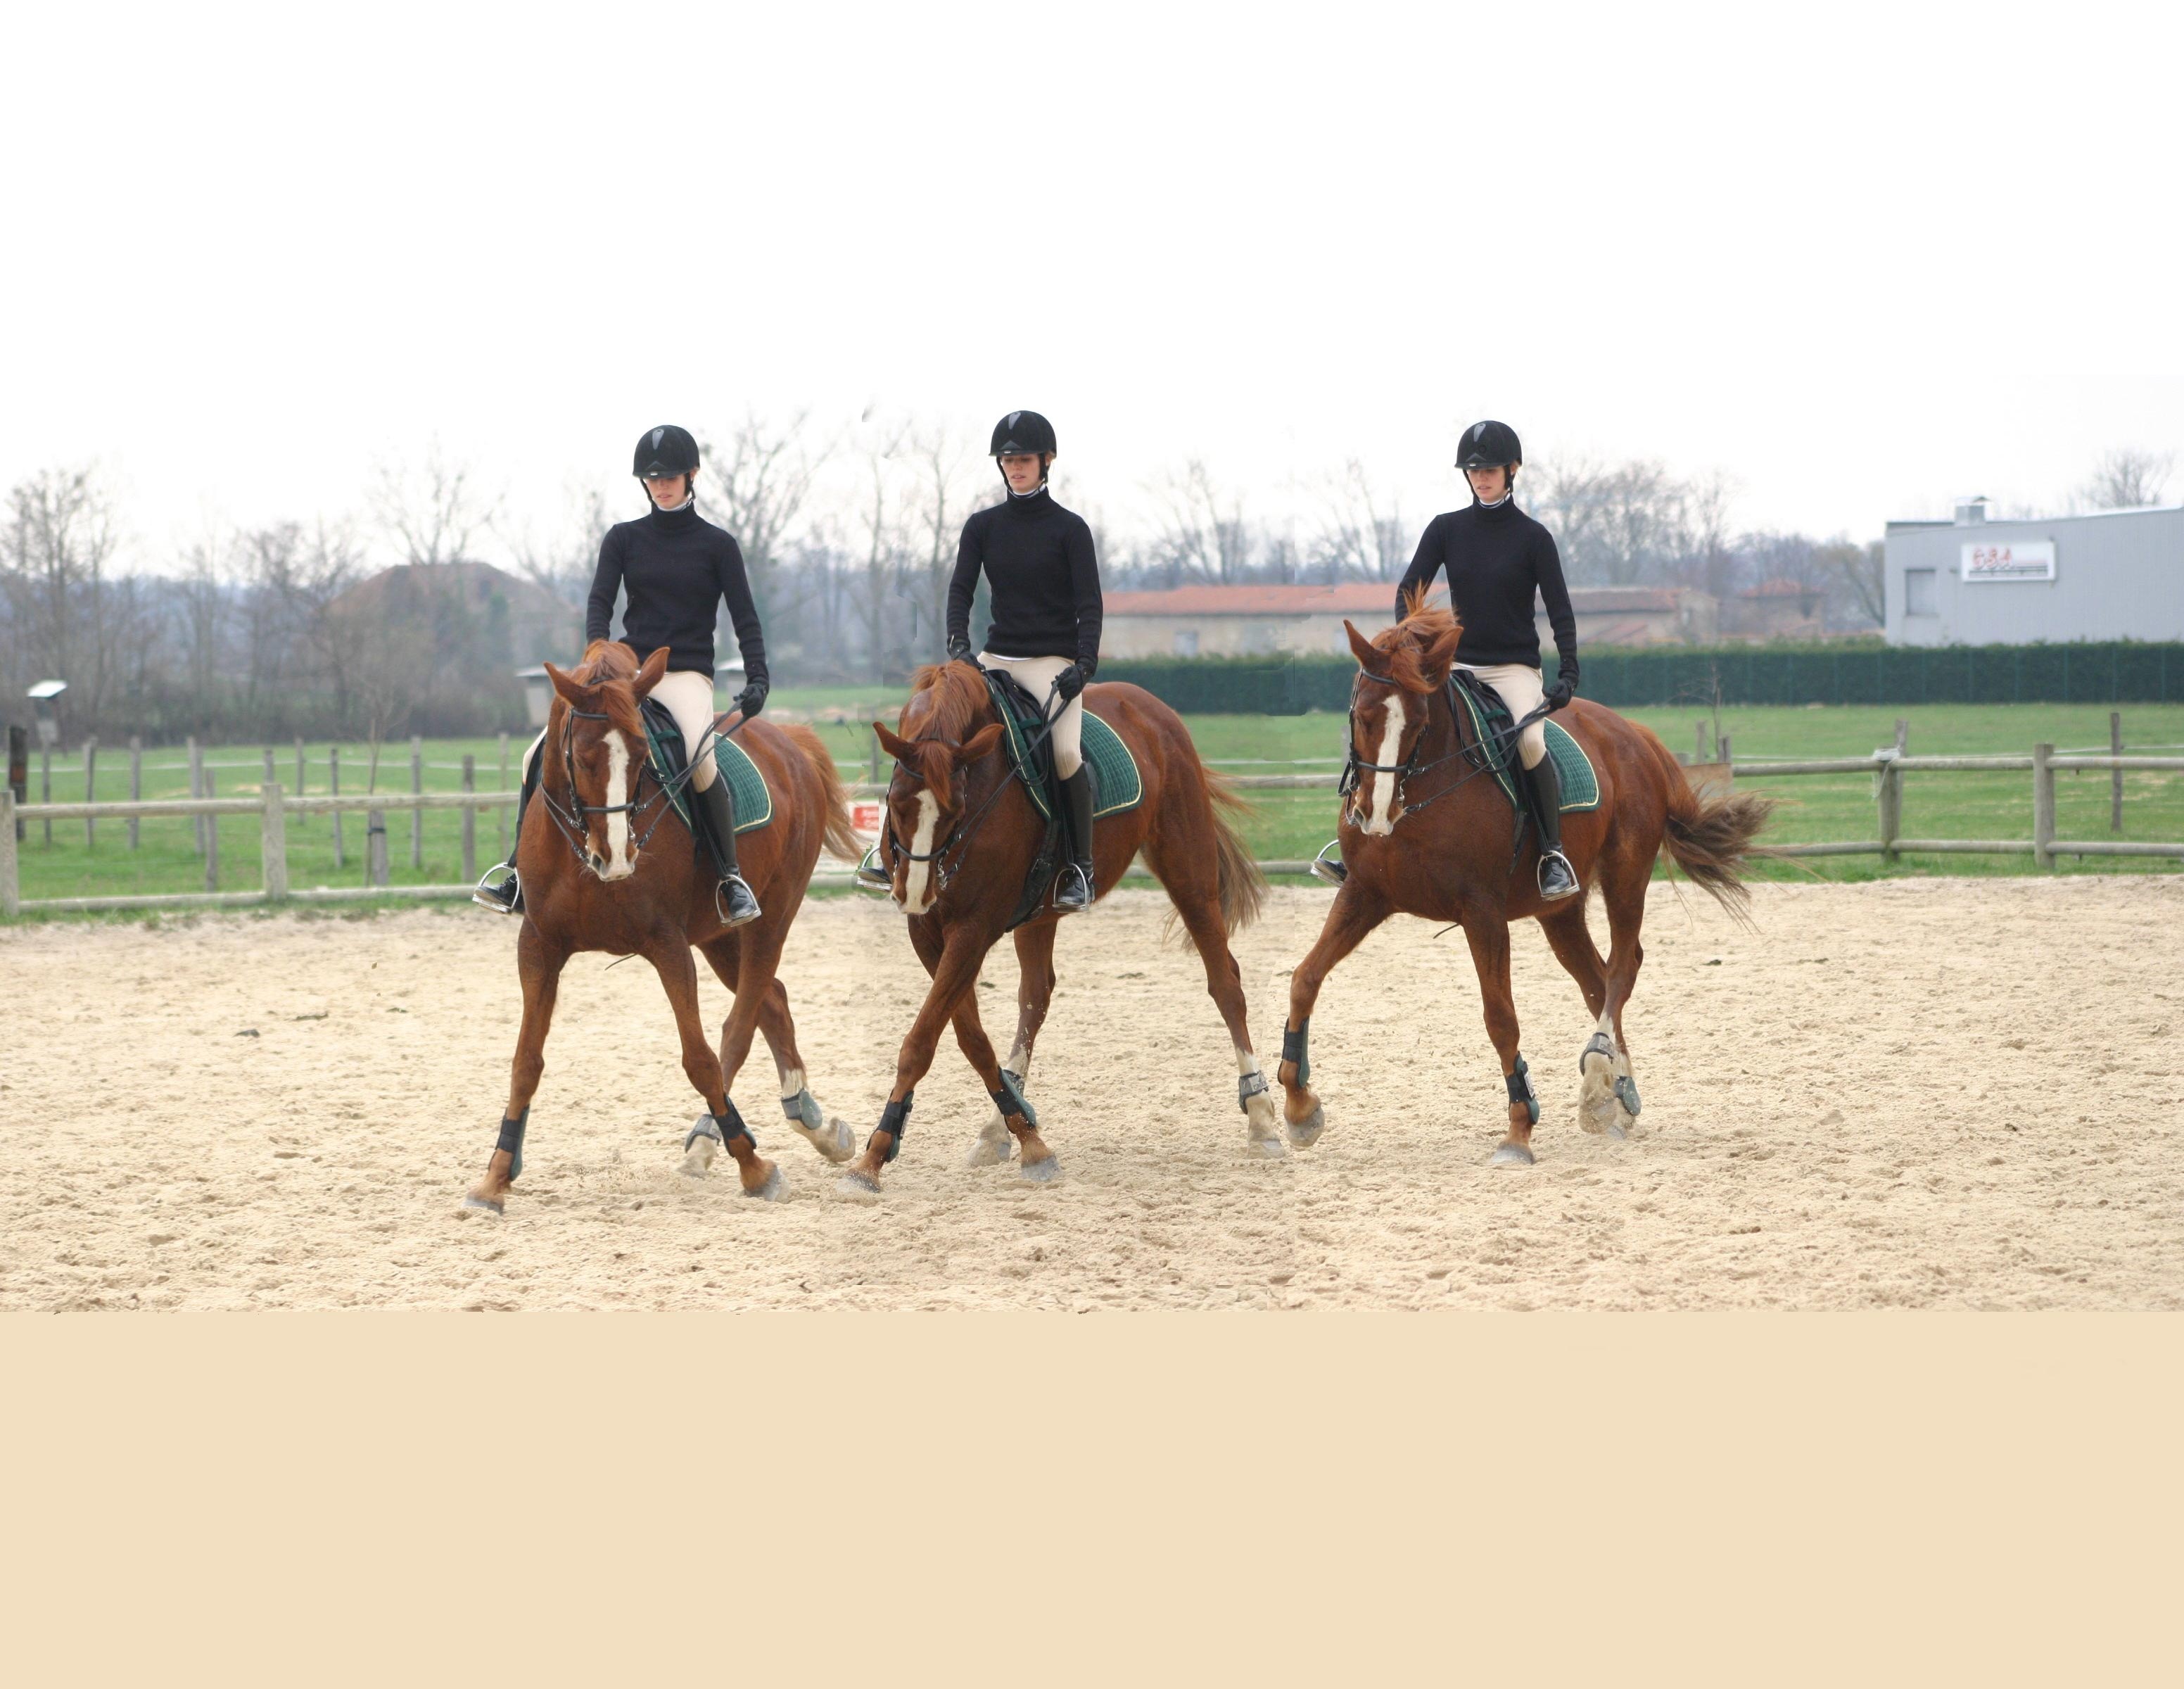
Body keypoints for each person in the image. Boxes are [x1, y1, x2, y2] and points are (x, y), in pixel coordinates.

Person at [474, 424, 770, 925]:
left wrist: (759, 673)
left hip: (685, 674)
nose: (662, 485)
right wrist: (598, 655)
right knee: (537, 751)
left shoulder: (718, 545)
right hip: (625, 674)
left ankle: (729, 877)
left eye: (671, 476)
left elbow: (745, 616)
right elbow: (600, 601)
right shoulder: (624, 538)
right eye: (653, 478)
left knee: (701, 760)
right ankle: (516, 871)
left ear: (692, 475)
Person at [1392, 419, 1582, 899]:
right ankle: (1364, 841)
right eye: (1473, 471)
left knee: (1531, 744)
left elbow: (1560, 610)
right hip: (1457, 666)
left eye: (1490, 469)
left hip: (1514, 668)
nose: (1481, 477)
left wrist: (1569, 673)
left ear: (1512, 470)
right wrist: (1413, 645)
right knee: (1395, 724)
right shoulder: (1445, 529)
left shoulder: (1534, 537)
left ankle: (1553, 855)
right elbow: (1409, 590)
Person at [941, 410, 1104, 912]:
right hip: (995, 658)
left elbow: (1089, 605)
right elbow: (961, 590)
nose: (1015, 467)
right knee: (937, 732)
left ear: (1046, 461)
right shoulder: (983, 527)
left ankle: (1080, 865)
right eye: (1008, 460)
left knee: (1064, 756)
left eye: (1024, 459)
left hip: (1050, 663)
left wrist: (1084, 664)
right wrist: (958, 646)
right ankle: (896, 855)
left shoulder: (1070, 530)